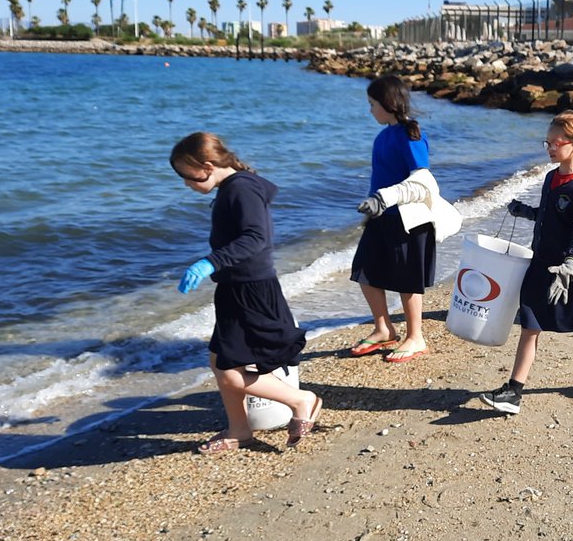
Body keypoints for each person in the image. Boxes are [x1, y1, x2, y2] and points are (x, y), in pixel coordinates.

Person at [172, 132, 317, 453]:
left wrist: (210, 262)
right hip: (235, 287)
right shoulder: (233, 187)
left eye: (186, 176)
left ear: (206, 166)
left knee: (227, 370)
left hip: (251, 289)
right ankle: (239, 430)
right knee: (219, 360)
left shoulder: (241, 189)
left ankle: (301, 400)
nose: (185, 184)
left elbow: (256, 238)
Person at [483, 111, 573, 415]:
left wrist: (571, 265)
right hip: (541, 265)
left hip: (569, 270)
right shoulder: (552, 177)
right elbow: (550, 216)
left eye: (554, 143)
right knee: (530, 324)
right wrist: (527, 212)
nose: (548, 148)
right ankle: (514, 391)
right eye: (546, 142)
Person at [349, 75, 441, 363]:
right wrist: (373, 206)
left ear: (387, 104)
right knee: (363, 270)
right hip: (381, 217)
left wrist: (384, 199)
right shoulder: (383, 135)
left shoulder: (410, 135)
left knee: (407, 280)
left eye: (372, 104)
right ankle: (383, 328)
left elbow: (422, 180)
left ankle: (416, 337)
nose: (370, 110)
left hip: (408, 220)